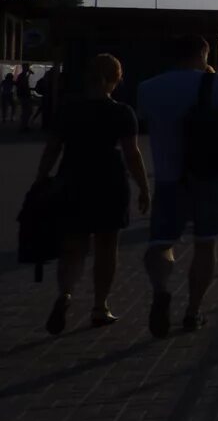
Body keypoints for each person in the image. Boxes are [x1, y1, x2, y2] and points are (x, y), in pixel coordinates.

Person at [138, 35, 218, 337]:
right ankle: (193, 312)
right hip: (210, 176)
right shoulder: (215, 83)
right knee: (206, 244)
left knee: (161, 243)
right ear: (203, 52)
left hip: (167, 177)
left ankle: (161, 289)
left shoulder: (147, 88)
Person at [35, 54, 149, 333]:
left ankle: (65, 294)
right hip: (109, 181)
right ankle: (100, 307)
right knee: (107, 247)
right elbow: (132, 154)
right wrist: (144, 187)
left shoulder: (68, 109)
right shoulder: (122, 112)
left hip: (72, 178)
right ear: (117, 79)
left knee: (73, 245)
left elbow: (52, 148)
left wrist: (41, 180)